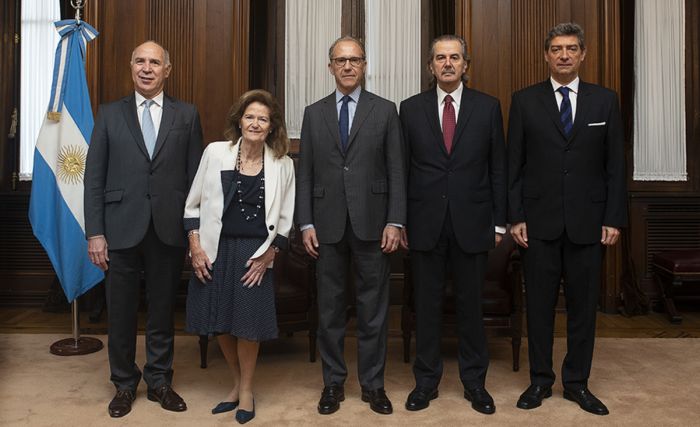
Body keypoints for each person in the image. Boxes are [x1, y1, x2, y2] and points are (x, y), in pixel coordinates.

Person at [507, 22, 627, 416]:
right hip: (537, 223)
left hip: (589, 223)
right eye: (557, 49)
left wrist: (613, 218)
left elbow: (615, 166)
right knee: (539, 308)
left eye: (571, 49)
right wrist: (516, 216)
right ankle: (540, 381)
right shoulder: (524, 101)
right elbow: (514, 165)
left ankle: (577, 383)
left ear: (582, 54)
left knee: (583, 308)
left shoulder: (604, 101)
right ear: (546, 55)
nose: (564, 55)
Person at [84, 41, 203, 418]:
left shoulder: (187, 114)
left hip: (168, 228)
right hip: (118, 228)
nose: (147, 68)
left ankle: (159, 381)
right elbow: (93, 178)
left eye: (154, 62)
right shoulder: (109, 113)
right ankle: (123, 383)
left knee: (162, 310)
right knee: (120, 312)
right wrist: (95, 232)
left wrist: (194, 233)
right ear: (131, 66)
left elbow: (195, 180)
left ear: (167, 70)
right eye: (140, 61)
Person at [295, 35, 406, 415]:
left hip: (374, 224)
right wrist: (305, 222)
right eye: (340, 60)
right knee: (329, 311)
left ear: (364, 66)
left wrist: (395, 221)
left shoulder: (385, 110)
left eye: (354, 60)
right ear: (330, 67)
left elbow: (396, 170)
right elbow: (305, 173)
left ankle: (373, 385)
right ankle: (333, 384)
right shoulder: (314, 113)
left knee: (373, 310)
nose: (347, 66)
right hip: (326, 226)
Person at [398, 35, 506, 415]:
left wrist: (499, 223)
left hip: (472, 222)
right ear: (430, 66)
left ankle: (475, 383)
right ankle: (425, 383)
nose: (447, 63)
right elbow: (402, 170)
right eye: (440, 58)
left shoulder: (487, 107)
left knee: (470, 307)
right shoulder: (410, 109)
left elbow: (498, 168)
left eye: (454, 57)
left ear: (465, 65)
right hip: (424, 223)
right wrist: (400, 220)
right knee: (426, 307)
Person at [184, 89, 295, 424]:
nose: (255, 123)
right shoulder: (215, 152)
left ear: (272, 126)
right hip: (214, 249)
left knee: (247, 326)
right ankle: (236, 383)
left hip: (254, 255)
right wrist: (195, 246)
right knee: (219, 321)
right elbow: (193, 205)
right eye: (250, 117)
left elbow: (286, 219)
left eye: (263, 118)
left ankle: (246, 390)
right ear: (239, 120)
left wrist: (269, 255)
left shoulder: (283, 164)